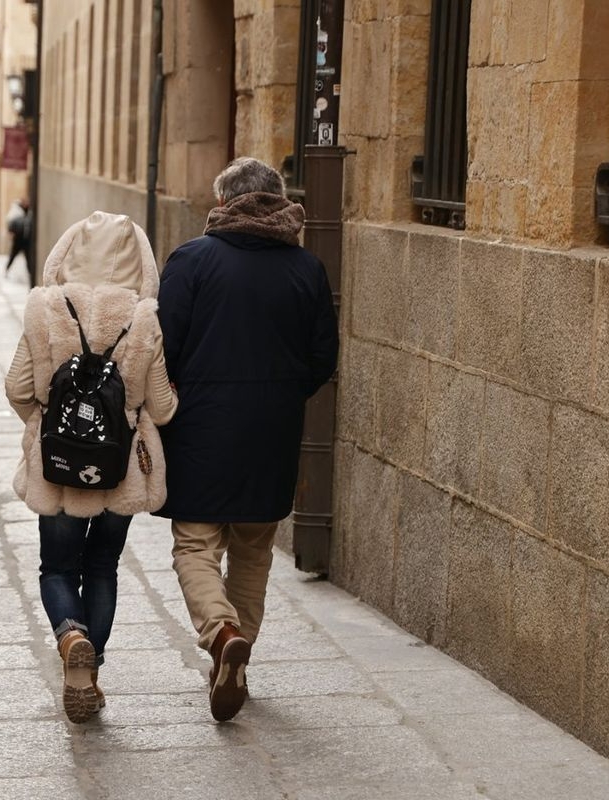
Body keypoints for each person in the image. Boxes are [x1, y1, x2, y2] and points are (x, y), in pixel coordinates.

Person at [154, 157, 339, 722]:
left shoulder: (191, 261)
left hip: (201, 428)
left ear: (222, 204)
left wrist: (175, 406)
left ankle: (221, 632)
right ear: (278, 202)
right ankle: (236, 657)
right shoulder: (307, 268)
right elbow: (321, 359)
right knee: (255, 552)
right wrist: (280, 397)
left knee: (195, 544)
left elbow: (164, 348)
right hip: (273, 431)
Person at [5, 211, 178, 724]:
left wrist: (42, 421)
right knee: (101, 568)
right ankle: (91, 669)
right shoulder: (144, 318)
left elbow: (17, 387)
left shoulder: (45, 308)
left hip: (57, 468)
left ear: (66, 254)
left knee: (57, 567)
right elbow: (164, 406)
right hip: (119, 470)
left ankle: (70, 637)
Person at [5, 198, 31, 277]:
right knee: (13, 255)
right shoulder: (17, 211)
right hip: (18, 239)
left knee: (28, 258)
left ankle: (30, 272)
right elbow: (11, 222)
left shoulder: (27, 210)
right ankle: (7, 269)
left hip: (25, 239)